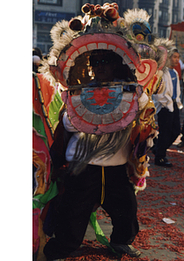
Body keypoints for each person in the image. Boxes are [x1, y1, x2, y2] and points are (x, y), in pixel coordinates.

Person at [43, 50, 142, 260]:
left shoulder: (130, 92)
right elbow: (69, 123)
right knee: (73, 211)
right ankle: (61, 248)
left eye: (104, 62)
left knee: (126, 208)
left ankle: (121, 242)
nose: (99, 67)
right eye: (94, 63)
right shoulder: (80, 92)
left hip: (116, 164)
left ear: (116, 64)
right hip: (84, 164)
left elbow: (140, 115)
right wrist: (93, 113)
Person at [152, 48, 183, 167]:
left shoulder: (174, 72)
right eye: (174, 57)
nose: (176, 60)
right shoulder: (162, 72)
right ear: (168, 57)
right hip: (165, 105)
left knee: (175, 131)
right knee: (165, 132)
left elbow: (177, 89)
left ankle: (158, 148)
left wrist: (177, 102)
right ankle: (160, 157)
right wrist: (165, 103)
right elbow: (158, 92)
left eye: (178, 57)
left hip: (173, 104)